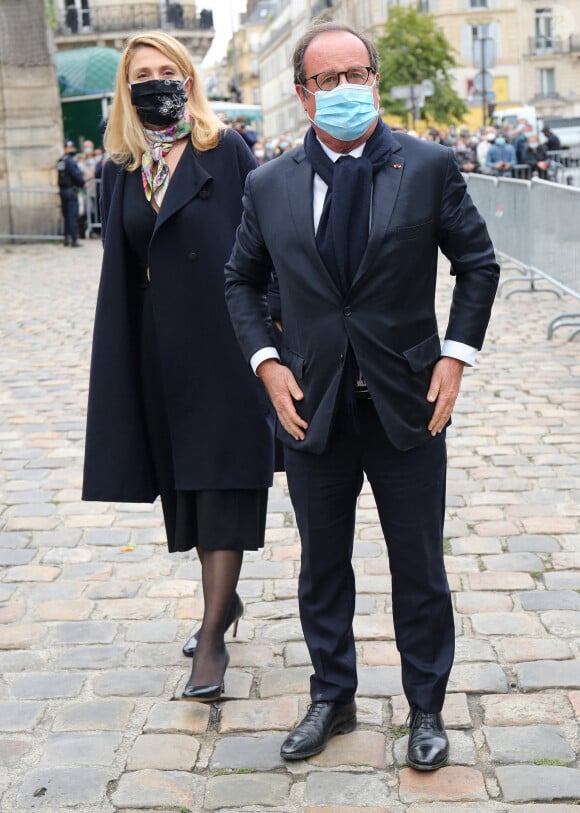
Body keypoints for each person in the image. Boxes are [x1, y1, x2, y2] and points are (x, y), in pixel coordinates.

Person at [225, 21, 499, 770]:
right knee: (321, 566)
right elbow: (240, 280)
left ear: (375, 79)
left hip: (409, 403)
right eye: (329, 79)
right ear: (303, 93)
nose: (346, 89)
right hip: (309, 407)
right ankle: (332, 695)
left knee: (418, 565)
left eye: (358, 74)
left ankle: (426, 708)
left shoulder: (430, 165)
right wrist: (267, 362)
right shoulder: (268, 184)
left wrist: (455, 357)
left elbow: (477, 262)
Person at [82, 30, 275, 703]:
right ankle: (222, 603)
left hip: (227, 346)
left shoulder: (226, 150)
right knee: (190, 491)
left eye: (169, 69)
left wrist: (275, 330)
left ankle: (214, 634)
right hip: (160, 351)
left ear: (189, 78)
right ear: (126, 89)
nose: (157, 81)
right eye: (143, 73)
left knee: (224, 486)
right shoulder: (120, 167)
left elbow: (264, 244)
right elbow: (122, 266)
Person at [56, 140, 85, 247]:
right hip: (71, 190)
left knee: (66, 216)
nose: (72, 149)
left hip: (63, 191)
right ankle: (74, 239)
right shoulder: (70, 161)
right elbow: (76, 175)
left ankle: (66, 239)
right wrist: (82, 182)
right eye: (71, 147)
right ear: (66, 148)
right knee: (72, 215)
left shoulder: (60, 160)